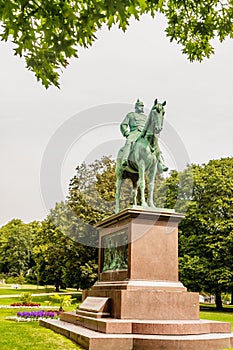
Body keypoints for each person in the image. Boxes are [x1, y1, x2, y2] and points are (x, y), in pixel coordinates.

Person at [120, 99, 168, 172]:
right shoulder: (130, 115)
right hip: (134, 133)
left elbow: (150, 125)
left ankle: (161, 163)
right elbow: (123, 125)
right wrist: (126, 133)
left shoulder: (145, 117)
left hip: (144, 133)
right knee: (129, 142)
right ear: (136, 107)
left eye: (143, 106)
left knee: (156, 145)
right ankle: (125, 159)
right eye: (140, 106)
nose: (142, 107)